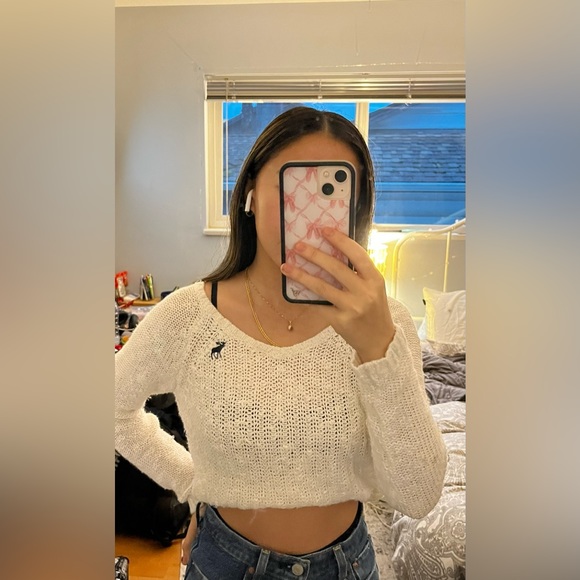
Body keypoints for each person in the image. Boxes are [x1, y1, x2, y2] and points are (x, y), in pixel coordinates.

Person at [115, 106, 447, 579]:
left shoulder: (385, 322)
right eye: (294, 186)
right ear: (250, 193)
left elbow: (417, 496)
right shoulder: (188, 315)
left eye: (333, 191)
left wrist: (378, 351)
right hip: (223, 563)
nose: (309, 215)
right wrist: (194, 484)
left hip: (347, 566)